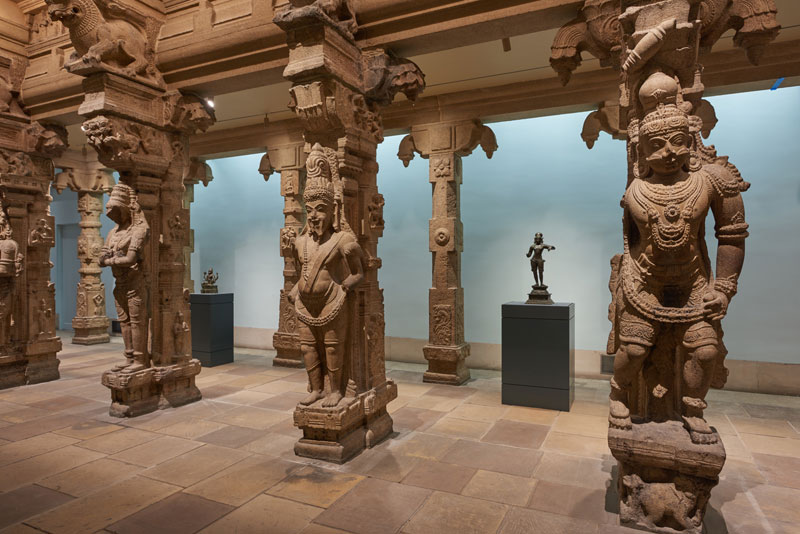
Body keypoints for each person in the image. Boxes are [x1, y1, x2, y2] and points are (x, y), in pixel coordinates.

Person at [608, 72, 748, 444]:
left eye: (678, 142)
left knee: (704, 351)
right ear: (642, 152)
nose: (669, 153)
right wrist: (626, 282)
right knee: (634, 348)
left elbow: (731, 235)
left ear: (691, 140)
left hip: (693, 282)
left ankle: (692, 408)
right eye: (656, 145)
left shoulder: (712, 181)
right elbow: (631, 242)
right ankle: (618, 394)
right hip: (645, 281)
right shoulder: (637, 190)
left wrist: (723, 288)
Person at [288, 144, 365, 408]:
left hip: (332, 302)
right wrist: (296, 290)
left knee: (333, 347)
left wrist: (345, 287)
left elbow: (359, 273)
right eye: (309, 209)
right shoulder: (301, 242)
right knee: (307, 348)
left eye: (320, 209)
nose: (313, 216)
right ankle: (317, 389)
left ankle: (336, 391)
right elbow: (303, 271)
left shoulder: (343, 241)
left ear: (333, 209)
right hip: (305, 305)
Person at [100, 183, 150, 372]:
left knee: (137, 322)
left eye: (116, 210)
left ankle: (140, 359)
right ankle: (129, 357)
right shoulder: (113, 233)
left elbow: (130, 259)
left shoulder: (139, 230)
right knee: (124, 321)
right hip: (119, 283)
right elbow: (100, 259)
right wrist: (111, 259)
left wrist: (110, 259)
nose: (113, 215)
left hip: (136, 282)